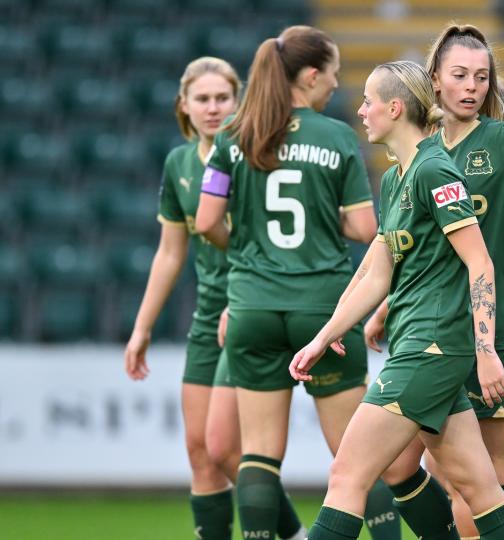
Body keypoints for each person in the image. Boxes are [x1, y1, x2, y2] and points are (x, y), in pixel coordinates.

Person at [289, 60, 504, 540]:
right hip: (423, 347)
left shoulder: (436, 170)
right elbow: (377, 272)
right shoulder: (400, 176)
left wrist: (486, 353)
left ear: (395, 108)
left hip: (431, 349)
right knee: (481, 490)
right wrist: (325, 336)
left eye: (368, 102)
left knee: (347, 477)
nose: (360, 111)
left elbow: (481, 264)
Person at [194, 27, 397, 540]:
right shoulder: (336, 137)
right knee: (355, 456)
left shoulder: (233, 137)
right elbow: (363, 228)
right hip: (322, 311)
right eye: (332, 72)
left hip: (252, 308)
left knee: (259, 454)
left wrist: (245, 247)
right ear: (311, 75)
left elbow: (205, 221)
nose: (336, 83)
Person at [124, 56, 307, 540]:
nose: (212, 108)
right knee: (199, 451)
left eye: (222, 98)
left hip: (253, 308)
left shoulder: (255, 154)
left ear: (239, 101)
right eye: (202, 99)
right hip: (209, 315)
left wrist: (244, 296)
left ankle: (293, 535)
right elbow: (169, 254)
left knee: (226, 447)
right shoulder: (179, 163)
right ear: (183, 105)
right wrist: (142, 328)